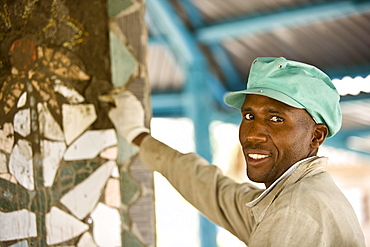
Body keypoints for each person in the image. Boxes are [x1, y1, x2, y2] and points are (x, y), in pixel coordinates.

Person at [107, 57, 365, 246]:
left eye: (276, 119)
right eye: (249, 115)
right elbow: (213, 190)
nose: (252, 133)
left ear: (316, 136)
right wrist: (136, 135)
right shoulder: (290, 195)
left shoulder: (296, 210)